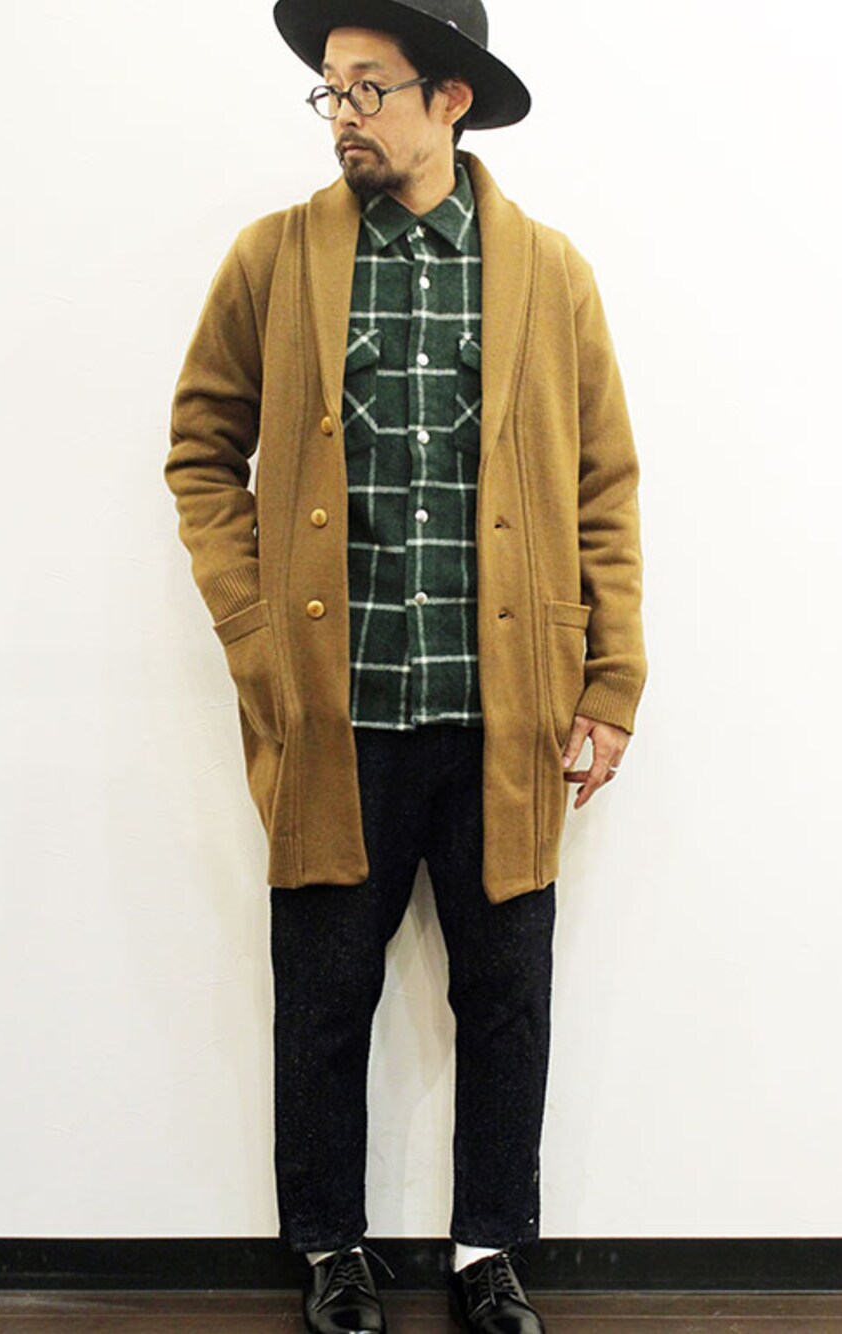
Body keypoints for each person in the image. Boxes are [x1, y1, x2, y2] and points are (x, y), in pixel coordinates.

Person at [165, 0, 647, 1329]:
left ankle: (489, 1251)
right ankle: (330, 1250)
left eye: (369, 88)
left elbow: (605, 489)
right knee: (325, 999)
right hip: (339, 714)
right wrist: (255, 632)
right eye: (331, 90)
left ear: (451, 98)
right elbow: (201, 451)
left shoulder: (551, 273)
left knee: (507, 999)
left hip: (509, 716)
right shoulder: (274, 262)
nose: (344, 117)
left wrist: (611, 686)